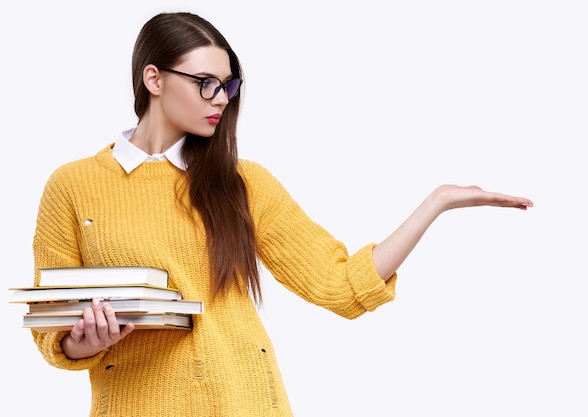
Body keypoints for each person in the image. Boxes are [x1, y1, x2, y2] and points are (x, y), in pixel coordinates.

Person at [30, 11, 533, 417]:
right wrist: (80, 341)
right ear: (153, 78)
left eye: (227, 86)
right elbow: (51, 328)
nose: (220, 100)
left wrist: (435, 204)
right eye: (205, 82)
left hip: (248, 403)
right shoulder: (72, 186)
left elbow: (339, 286)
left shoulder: (243, 183)